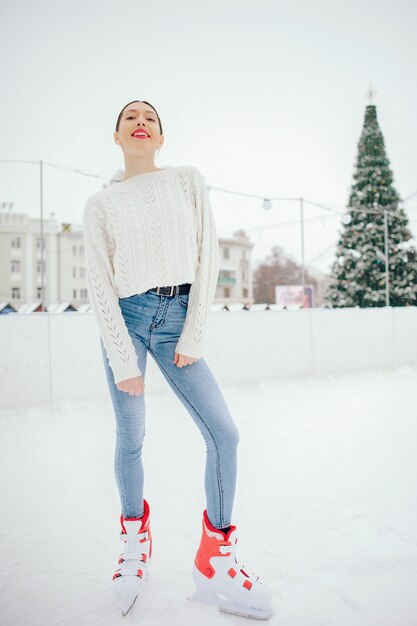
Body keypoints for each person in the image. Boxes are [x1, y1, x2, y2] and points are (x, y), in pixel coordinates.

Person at [82, 99, 273, 619]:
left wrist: (194, 330)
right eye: (129, 118)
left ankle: (215, 558)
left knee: (223, 434)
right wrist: (124, 360)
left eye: (150, 118)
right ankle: (134, 544)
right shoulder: (100, 204)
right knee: (130, 437)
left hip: (178, 316)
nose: (140, 122)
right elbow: (99, 282)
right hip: (126, 317)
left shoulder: (187, 180)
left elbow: (207, 252)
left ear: (161, 137)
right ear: (117, 136)